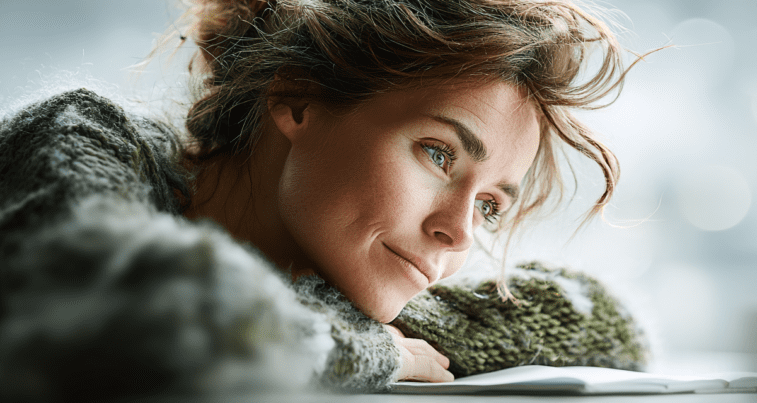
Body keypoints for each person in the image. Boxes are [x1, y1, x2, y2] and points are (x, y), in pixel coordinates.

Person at [0, 0, 642, 399]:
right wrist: (380, 347)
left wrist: (353, 315)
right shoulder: (83, 136)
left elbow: (605, 323)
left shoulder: (332, 270)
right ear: (299, 97)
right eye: (438, 153)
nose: (459, 233)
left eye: (490, 206)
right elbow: (141, 323)